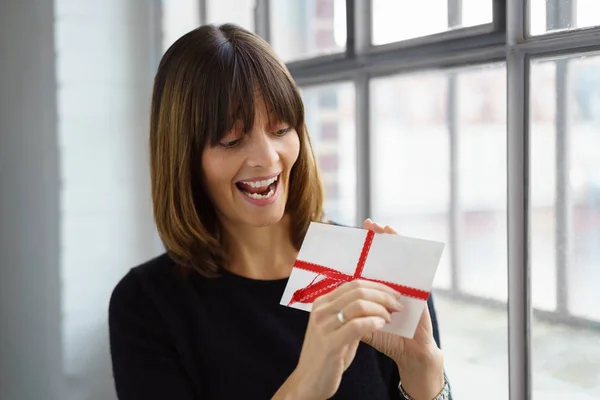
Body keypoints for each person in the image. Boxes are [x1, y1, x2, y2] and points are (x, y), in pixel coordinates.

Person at [108, 23, 452, 400]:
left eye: (281, 128)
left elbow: (425, 376)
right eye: (231, 139)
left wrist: (424, 371)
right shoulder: (147, 305)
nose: (266, 158)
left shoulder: (372, 270)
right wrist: (305, 385)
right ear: (184, 157)